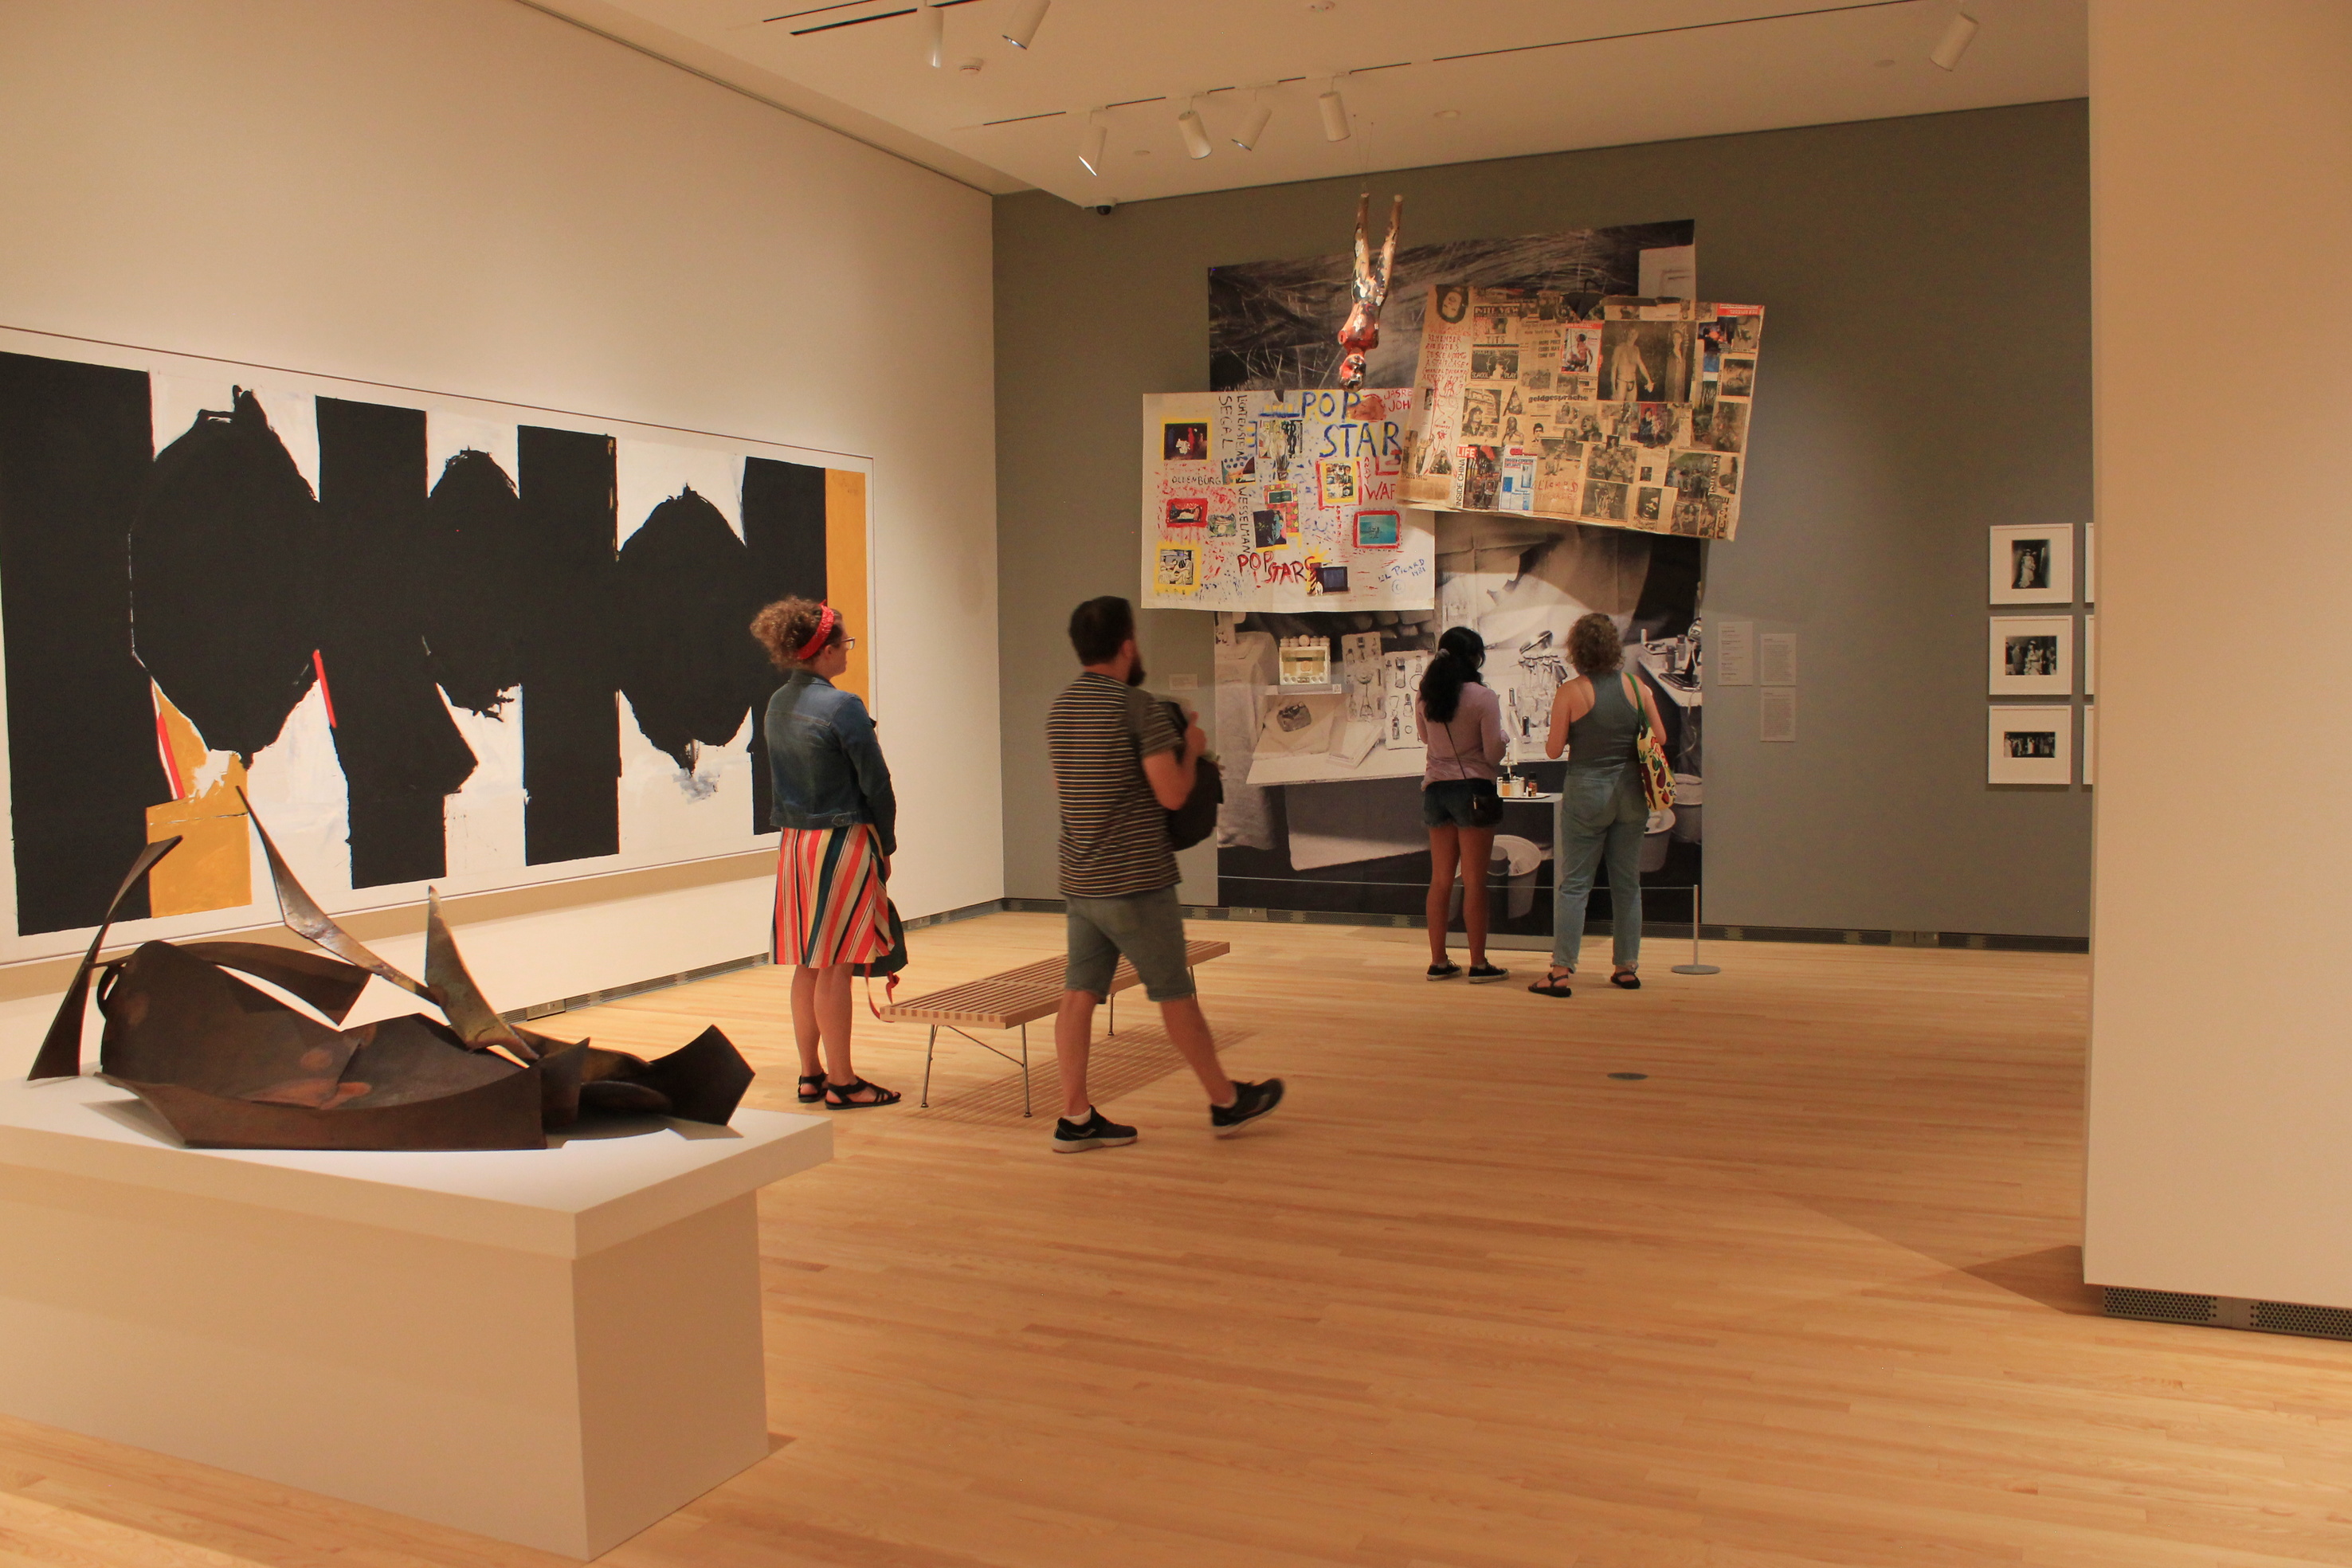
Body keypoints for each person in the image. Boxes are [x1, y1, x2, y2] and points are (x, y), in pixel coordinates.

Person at [1046, 596, 1284, 1152]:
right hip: (1136, 880)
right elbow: (1173, 793)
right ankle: (1226, 1101)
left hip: (1081, 879)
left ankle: (1074, 1117)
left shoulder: (1060, 709)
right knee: (1175, 993)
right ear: (1127, 645)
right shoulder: (1140, 709)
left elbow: (1067, 793)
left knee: (1078, 994)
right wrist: (1194, 749)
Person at [751, 597, 901, 1108]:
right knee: (836, 964)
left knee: (807, 962)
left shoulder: (776, 703)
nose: (847, 651)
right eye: (844, 643)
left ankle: (810, 1074)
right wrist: (887, 843)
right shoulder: (842, 706)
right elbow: (876, 784)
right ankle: (843, 1081)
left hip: (795, 844)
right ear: (822, 651)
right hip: (841, 842)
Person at [1529, 612, 1669, 998]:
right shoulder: (1637, 687)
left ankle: (1560, 971)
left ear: (1577, 651)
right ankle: (1626, 968)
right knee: (1627, 884)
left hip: (1587, 793)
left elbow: (1555, 749)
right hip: (1631, 794)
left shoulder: (1571, 692)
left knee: (1574, 885)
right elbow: (1659, 735)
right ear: (1613, 647)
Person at [1415, 625, 1508, 983]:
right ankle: (1479, 964)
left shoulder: (1426, 694)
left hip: (1435, 790)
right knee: (1474, 881)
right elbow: (1493, 754)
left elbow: (1425, 738)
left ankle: (1438, 961)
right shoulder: (1483, 697)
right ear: (1475, 658)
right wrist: (1502, 737)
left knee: (1441, 880)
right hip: (1473, 792)